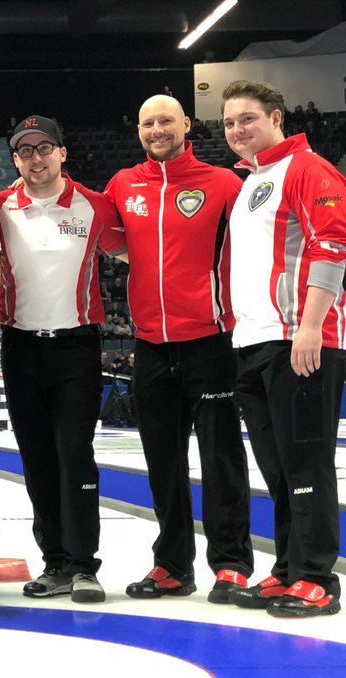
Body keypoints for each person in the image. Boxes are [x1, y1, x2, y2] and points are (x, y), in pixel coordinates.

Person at [104, 94, 254, 603]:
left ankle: (231, 564)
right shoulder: (124, 185)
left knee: (221, 460)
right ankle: (171, 566)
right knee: (162, 462)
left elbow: (255, 246)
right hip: (149, 344)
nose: (156, 130)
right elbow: (106, 236)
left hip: (209, 342)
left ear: (186, 124)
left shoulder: (223, 184)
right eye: (147, 122)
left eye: (165, 120)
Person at [222, 79, 346, 617]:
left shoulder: (306, 168)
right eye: (228, 123)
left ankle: (317, 575)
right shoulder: (251, 181)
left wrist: (312, 325)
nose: (236, 130)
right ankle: (289, 569)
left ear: (276, 117)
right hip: (254, 341)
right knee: (277, 467)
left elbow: (333, 243)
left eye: (247, 118)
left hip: (299, 338)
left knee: (306, 462)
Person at [0, 115, 127, 604]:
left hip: (76, 346)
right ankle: (54, 562)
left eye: (44, 147)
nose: (35, 158)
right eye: (25, 151)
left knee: (75, 455)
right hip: (20, 346)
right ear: (14, 160)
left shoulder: (95, 206)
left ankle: (82, 564)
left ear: (62, 153)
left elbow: (138, 252)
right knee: (37, 460)